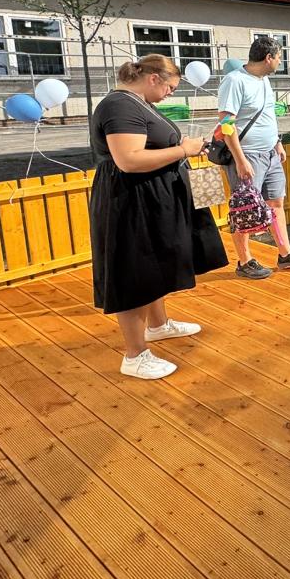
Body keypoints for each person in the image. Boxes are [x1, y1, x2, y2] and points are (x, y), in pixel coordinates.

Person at [89, 54, 227, 380]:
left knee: (154, 263)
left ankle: (158, 325)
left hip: (150, 197)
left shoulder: (138, 103)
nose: (170, 94)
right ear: (154, 78)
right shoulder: (120, 106)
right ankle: (135, 355)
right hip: (131, 201)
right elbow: (129, 160)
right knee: (136, 270)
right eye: (170, 88)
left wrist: (188, 146)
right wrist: (183, 150)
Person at [217, 36, 290, 279]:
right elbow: (226, 124)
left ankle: (285, 254)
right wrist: (240, 160)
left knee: (275, 203)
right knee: (244, 207)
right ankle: (244, 262)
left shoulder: (264, 80)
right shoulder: (235, 81)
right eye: (279, 57)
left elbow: (267, 115)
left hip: (270, 154)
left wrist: (277, 142)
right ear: (268, 58)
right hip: (247, 155)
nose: (280, 61)